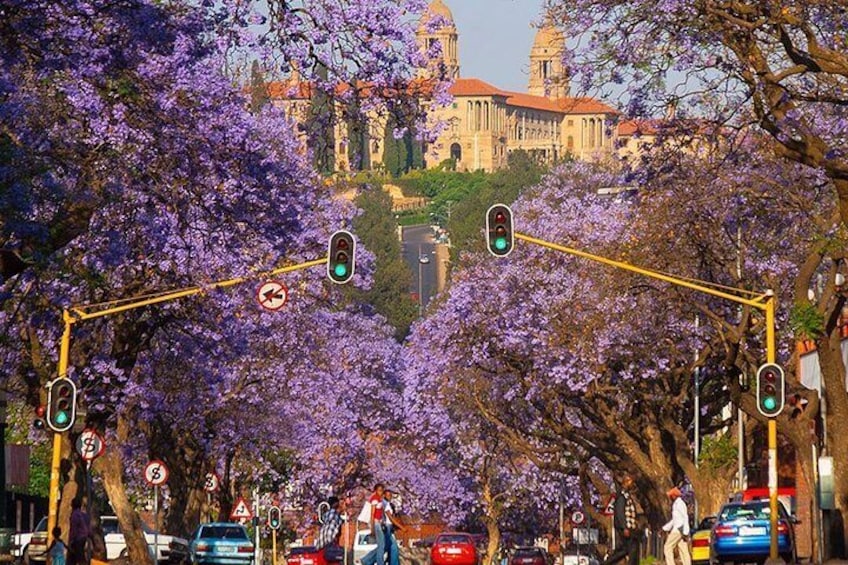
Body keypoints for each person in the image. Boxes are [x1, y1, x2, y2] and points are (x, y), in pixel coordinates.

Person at [602, 474, 639, 565]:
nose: (633, 484)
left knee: (624, 550)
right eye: (631, 482)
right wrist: (624, 527)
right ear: (626, 482)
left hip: (629, 526)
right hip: (626, 527)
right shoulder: (621, 496)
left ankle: (605, 563)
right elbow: (620, 512)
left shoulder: (626, 495)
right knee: (633, 548)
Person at [662, 487, 691, 565]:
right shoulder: (675, 504)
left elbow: (685, 517)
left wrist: (685, 532)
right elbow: (674, 520)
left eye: (671, 496)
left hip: (678, 530)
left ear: (674, 496)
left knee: (667, 547)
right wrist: (665, 528)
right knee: (683, 549)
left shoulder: (680, 504)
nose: (670, 498)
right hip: (679, 529)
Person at [361, 484, 386, 565]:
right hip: (376, 523)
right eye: (379, 490)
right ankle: (379, 562)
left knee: (381, 545)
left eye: (382, 490)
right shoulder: (375, 499)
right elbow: (372, 514)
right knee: (381, 545)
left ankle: (366, 559)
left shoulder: (379, 499)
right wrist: (372, 527)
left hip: (379, 522)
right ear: (376, 490)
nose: (381, 492)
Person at [316, 496, 344, 565]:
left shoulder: (326, 515)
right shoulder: (334, 513)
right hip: (330, 540)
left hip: (321, 541)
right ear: (335, 503)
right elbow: (339, 525)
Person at [382, 489, 404, 565]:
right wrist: (401, 527)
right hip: (387, 526)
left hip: (389, 527)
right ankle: (368, 559)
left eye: (390, 495)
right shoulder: (385, 504)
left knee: (392, 547)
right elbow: (391, 518)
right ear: (384, 495)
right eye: (388, 495)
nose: (390, 497)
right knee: (390, 547)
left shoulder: (389, 504)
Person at [68, 498, 91, 565]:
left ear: (72, 505)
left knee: (79, 557)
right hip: (83, 538)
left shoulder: (74, 515)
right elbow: (88, 527)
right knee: (74, 557)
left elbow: (74, 529)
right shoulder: (85, 515)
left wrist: (71, 540)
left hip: (77, 539)